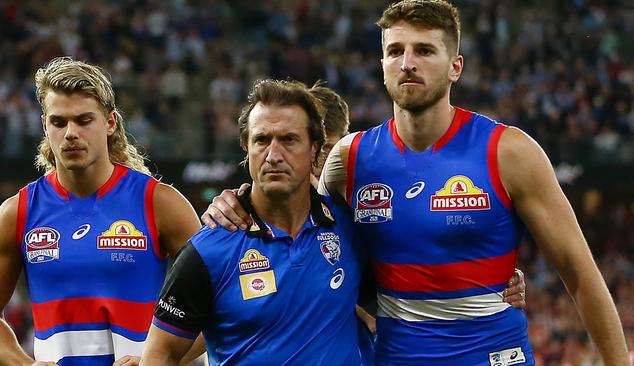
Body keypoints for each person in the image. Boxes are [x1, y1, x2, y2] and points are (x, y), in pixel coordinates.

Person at [200, 0, 628, 365]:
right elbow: (305, 247)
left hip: (494, 353)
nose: (408, 63)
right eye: (395, 51)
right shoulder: (351, 159)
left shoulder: (508, 152)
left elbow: (579, 273)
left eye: (425, 50)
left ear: (455, 66)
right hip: (395, 355)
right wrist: (235, 203)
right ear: (382, 63)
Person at [0, 57, 201, 365]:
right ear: (45, 125)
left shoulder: (160, 203)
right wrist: (23, 365)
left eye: (84, 120)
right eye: (59, 122)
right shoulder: (17, 212)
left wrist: (159, 360)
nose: (71, 133)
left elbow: (220, 301)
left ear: (110, 122)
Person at [141, 79, 364, 365]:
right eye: (261, 140)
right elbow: (162, 352)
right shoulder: (208, 250)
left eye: (288, 139)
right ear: (246, 148)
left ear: (315, 149)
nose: (273, 155)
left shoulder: (350, 226)